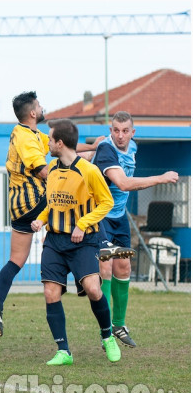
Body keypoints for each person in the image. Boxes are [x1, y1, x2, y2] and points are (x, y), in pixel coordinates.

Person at [31, 118, 120, 366]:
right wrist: (40, 220)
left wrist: (82, 224)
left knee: (93, 289)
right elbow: (52, 205)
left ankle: (107, 336)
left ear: (60, 143)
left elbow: (106, 203)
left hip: (84, 241)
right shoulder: (52, 169)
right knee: (51, 293)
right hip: (55, 242)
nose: (47, 143)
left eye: (50, 139)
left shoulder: (89, 171)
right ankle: (64, 351)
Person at [89, 111, 179, 348]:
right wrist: (161, 177)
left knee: (124, 266)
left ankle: (119, 325)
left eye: (125, 131)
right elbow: (124, 183)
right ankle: (106, 331)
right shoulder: (107, 150)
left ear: (133, 132)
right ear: (111, 130)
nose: (120, 136)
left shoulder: (133, 147)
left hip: (119, 217)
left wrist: (86, 151)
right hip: (101, 216)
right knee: (106, 266)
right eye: (116, 131)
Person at [0, 91, 49, 337]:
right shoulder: (25, 138)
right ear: (33, 112)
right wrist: (71, 175)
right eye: (40, 105)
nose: (43, 108)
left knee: (16, 260)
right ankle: (90, 264)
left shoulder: (29, 134)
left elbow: (61, 146)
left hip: (18, 207)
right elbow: (43, 171)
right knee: (74, 196)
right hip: (35, 200)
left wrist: (94, 147)